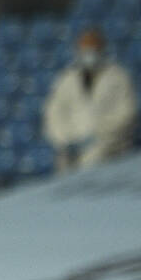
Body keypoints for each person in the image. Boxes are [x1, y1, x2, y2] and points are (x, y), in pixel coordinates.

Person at [42, 29, 137, 173]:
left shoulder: (118, 77)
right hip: (71, 152)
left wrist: (99, 133)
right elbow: (53, 113)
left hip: (111, 150)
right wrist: (66, 139)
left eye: (93, 49)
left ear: (101, 49)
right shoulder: (66, 79)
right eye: (85, 49)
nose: (89, 54)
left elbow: (127, 113)